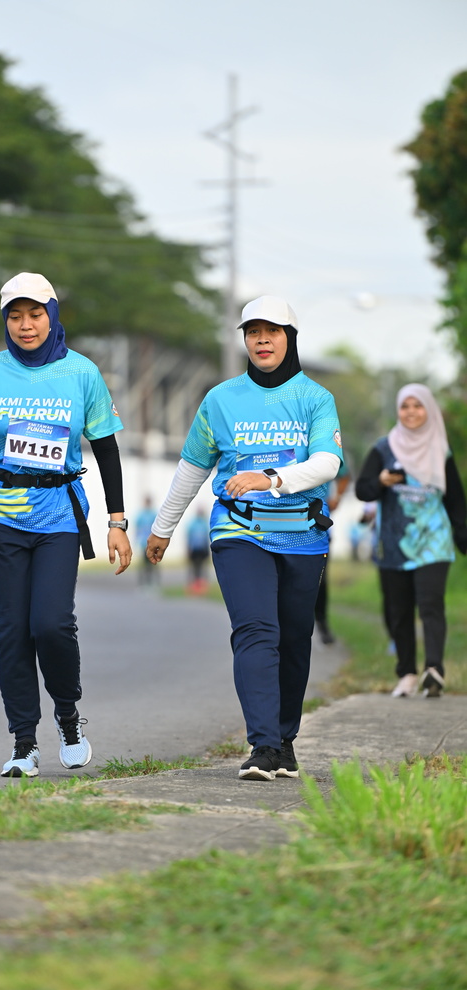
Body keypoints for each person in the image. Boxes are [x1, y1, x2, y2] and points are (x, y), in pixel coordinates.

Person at [146, 296, 342, 781]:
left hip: (301, 534)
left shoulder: (315, 398)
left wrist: (270, 478)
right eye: (253, 332)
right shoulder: (220, 399)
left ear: (289, 338)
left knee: (294, 639)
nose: (262, 340)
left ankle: (285, 741)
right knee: (256, 630)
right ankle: (263, 745)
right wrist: (163, 528)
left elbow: (327, 464)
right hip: (239, 530)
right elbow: (192, 467)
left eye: (272, 331)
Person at [0, 272, 132, 778]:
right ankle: (24, 743)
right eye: (15, 316)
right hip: (0, 515)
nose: (25, 325)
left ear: (51, 315)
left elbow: (107, 448)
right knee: (11, 631)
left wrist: (116, 520)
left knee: (51, 624)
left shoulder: (81, 373)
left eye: (35, 314)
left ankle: (69, 718)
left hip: (58, 515)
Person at [355, 384, 467, 698]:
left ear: (428, 410)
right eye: (405, 406)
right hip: (394, 543)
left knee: (431, 604)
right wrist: (381, 481)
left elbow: (456, 501)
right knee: (399, 610)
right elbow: (363, 490)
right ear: (398, 411)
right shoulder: (383, 448)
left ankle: (434, 670)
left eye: (418, 406)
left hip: (434, 541)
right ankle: (406, 673)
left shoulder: (441, 450)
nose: (411, 412)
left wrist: (462, 535)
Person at [314, 462, 351, 643]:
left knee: (320, 579)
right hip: (284, 524)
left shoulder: (324, 447)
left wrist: (337, 498)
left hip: (318, 525)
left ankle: (322, 623)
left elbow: (344, 475)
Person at [186, 506, 210, 594]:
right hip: (194, 549)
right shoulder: (193, 524)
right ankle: (194, 587)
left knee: (202, 568)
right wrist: (188, 549)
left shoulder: (204, 523)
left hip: (202, 549)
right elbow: (189, 537)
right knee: (194, 568)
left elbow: (206, 538)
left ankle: (202, 586)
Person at [134, 496, 157, 586]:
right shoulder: (141, 515)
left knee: (153, 563)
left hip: (152, 543)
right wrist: (136, 540)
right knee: (144, 564)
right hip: (144, 543)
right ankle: (142, 583)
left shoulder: (153, 514)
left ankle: (152, 582)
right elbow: (137, 528)